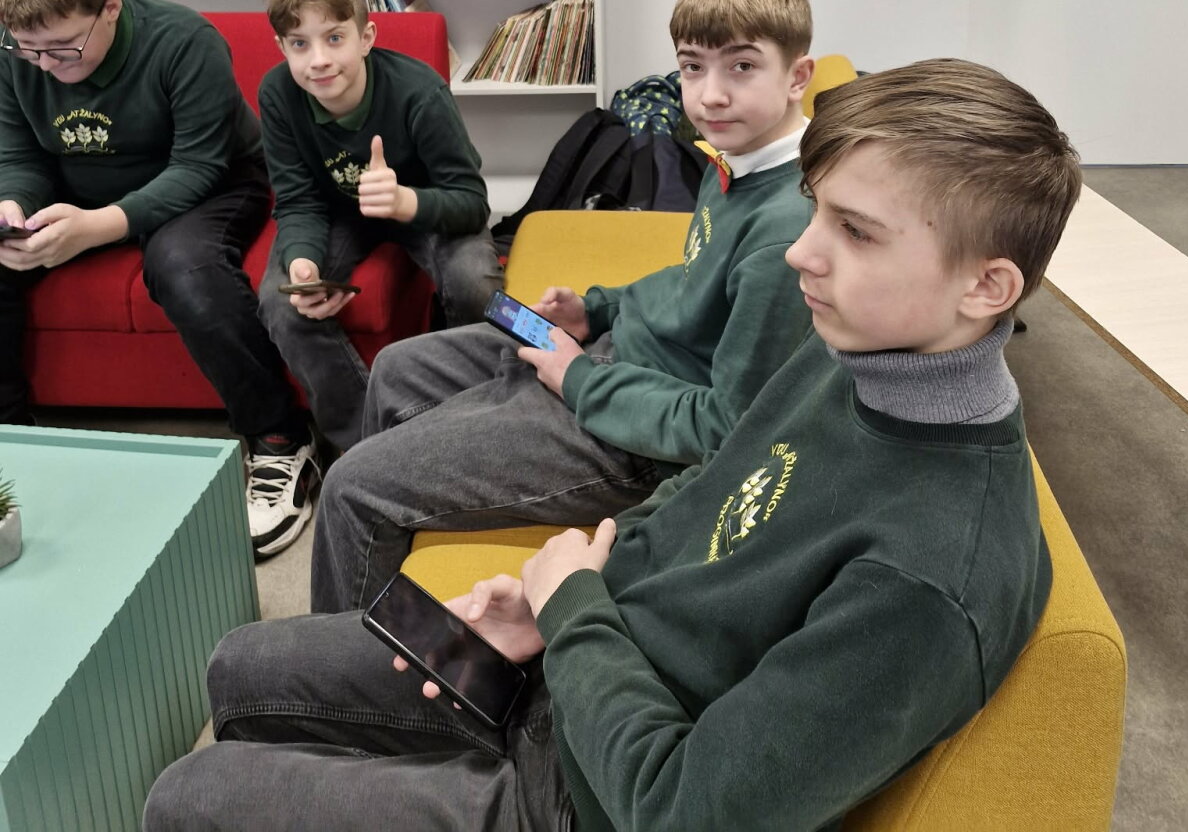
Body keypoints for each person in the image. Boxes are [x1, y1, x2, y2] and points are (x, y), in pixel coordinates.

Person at [142, 57, 1082, 832]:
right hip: (567, 672)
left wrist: (577, 614)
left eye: (857, 232)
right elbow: (708, 492)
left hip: (578, 798)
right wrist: (557, 607)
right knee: (239, 666)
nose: (802, 251)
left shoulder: (931, 574)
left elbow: (681, 812)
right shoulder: (858, 355)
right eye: (817, 210)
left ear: (987, 287)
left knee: (191, 796)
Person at [310, 0, 817, 613]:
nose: (710, 95)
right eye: (693, 67)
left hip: (639, 437)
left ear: (798, 77)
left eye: (741, 67)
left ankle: (343, 666)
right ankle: (395, 572)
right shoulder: (738, 157)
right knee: (398, 369)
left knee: (351, 487)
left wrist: (577, 378)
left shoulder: (784, 236)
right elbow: (694, 279)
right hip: (612, 360)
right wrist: (596, 309)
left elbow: (729, 429)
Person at [0, 0, 316, 558]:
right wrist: (14, 207)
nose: (46, 65)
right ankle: (12, 438)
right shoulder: (19, 52)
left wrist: (99, 225)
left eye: (63, 48)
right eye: (28, 50)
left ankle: (282, 439)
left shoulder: (184, 41)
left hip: (211, 185)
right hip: (75, 187)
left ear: (110, 7)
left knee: (185, 267)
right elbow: (21, 156)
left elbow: (198, 165)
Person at [255, 0, 502, 462]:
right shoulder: (278, 95)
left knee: (475, 282)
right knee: (282, 302)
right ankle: (373, 447)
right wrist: (303, 261)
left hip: (425, 202)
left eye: (334, 38)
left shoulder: (420, 92)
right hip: (340, 212)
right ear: (281, 48)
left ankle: (476, 418)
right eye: (299, 44)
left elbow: (472, 202)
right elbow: (298, 200)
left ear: (366, 37)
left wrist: (405, 201)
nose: (318, 60)